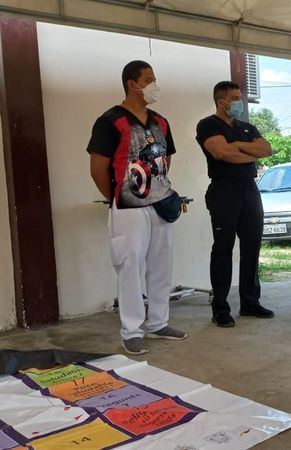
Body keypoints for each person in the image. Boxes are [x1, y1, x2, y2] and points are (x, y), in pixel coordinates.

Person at [87, 60, 187, 355]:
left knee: (161, 263)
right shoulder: (110, 121)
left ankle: (158, 323)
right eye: (149, 80)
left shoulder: (161, 121)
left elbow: (167, 158)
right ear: (132, 84)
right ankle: (131, 331)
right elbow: (97, 169)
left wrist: (157, 189)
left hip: (161, 202)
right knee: (129, 265)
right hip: (129, 207)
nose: (155, 85)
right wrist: (120, 197)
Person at [196, 81, 274, 327]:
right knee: (223, 248)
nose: (240, 102)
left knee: (252, 247)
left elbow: (266, 149)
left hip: (249, 189)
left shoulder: (246, 127)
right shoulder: (208, 125)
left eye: (240, 97)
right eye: (234, 98)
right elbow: (222, 153)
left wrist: (238, 145)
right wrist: (249, 154)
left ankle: (250, 302)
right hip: (224, 190)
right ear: (221, 102)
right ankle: (220, 307)